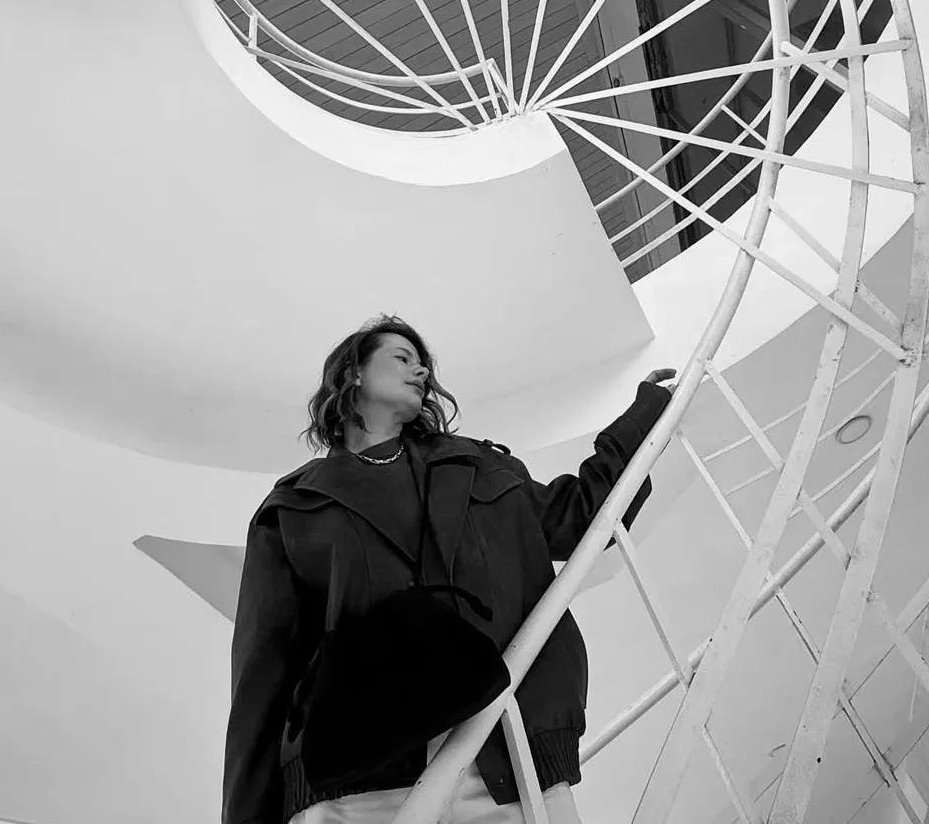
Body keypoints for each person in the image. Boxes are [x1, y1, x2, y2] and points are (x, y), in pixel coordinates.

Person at [222, 315, 676, 824]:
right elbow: (263, 675)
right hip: (357, 786)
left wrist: (646, 417)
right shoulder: (292, 507)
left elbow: (582, 516)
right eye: (402, 358)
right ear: (353, 374)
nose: (420, 371)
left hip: (506, 757)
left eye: (423, 365)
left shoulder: (479, 467)